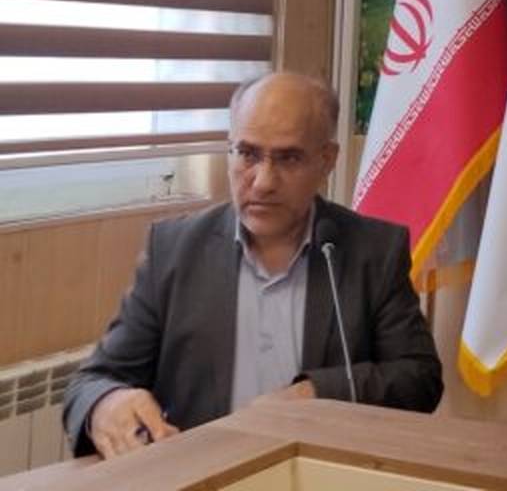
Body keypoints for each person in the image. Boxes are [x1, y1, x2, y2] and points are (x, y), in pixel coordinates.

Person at [63, 73, 443, 458]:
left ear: (327, 160)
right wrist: (105, 405)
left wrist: (317, 394)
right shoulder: (174, 251)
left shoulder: (371, 251)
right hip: (201, 473)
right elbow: (93, 382)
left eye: (289, 158)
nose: (263, 182)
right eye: (248, 154)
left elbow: (419, 378)